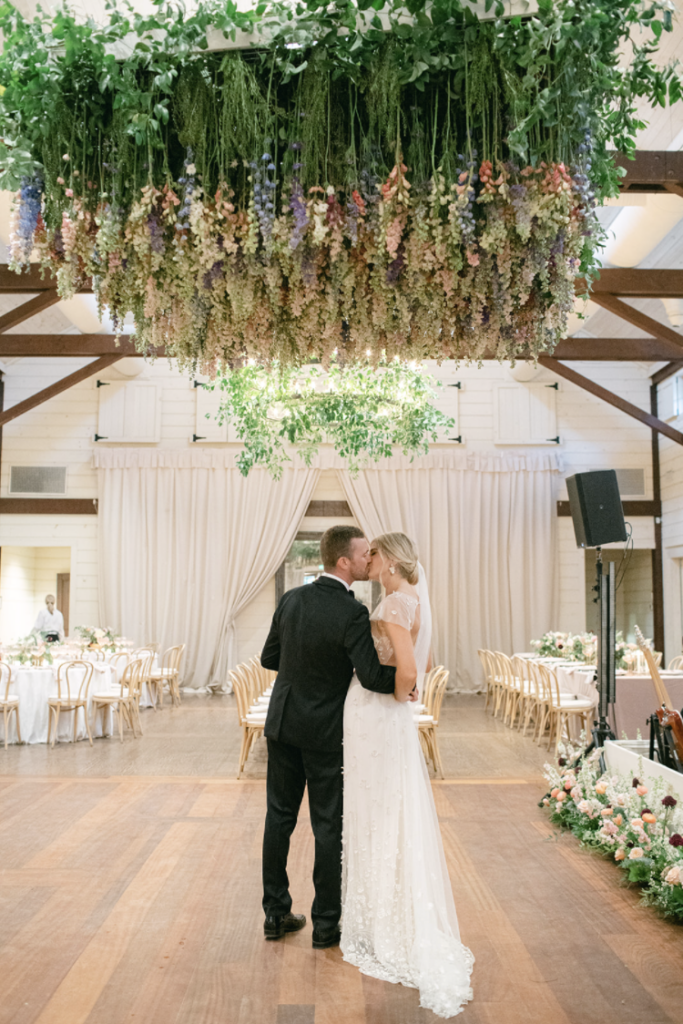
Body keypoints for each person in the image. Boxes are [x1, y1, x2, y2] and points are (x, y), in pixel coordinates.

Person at [341, 532, 474, 1019]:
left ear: (391, 559)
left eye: (373, 553)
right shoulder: (415, 598)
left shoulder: (396, 601)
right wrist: (408, 694)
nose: (368, 560)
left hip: (376, 711)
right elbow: (426, 660)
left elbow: (410, 667)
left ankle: (383, 919)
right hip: (385, 715)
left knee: (376, 805)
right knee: (389, 805)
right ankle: (386, 905)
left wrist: (397, 697)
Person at [260, 525, 398, 949]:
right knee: (327, 827)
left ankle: (276, 914)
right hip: (323, 732)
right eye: (362, 555)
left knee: (279, 819)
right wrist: (406, 677)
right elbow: (374, 677)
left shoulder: (291, 599)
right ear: (344, 561)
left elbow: (270, 658)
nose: (367, 560)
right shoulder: (351, 612)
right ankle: (324, 926)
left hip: (283, 725)